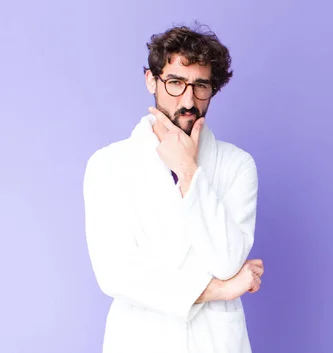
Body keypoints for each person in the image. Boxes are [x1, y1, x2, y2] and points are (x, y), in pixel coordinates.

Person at [83, 23, 264, 353]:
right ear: (151, 80)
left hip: (215, 341)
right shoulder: (108, 165)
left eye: (201, 86)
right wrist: (218, 290)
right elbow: (116, 274)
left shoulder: (237, 165)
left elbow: (226, 262)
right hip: (140, 341)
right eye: (175, 83)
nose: (189, 99)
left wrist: (188, 171)